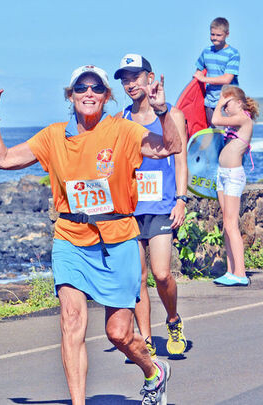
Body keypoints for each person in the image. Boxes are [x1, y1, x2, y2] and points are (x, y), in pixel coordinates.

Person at [0, 65, 181, 405]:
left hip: (118, 239)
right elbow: (3, 159)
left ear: (106, 96)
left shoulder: (122, 130)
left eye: (96, 88)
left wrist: (162, 111)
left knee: (119, 333)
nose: (89, 93)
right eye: (81, 87)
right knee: (71, 321)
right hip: (70, 237)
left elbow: (169, 147)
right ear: (70, 95)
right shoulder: (54, 136)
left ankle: (153, 371)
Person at [114, 54, 189, 359]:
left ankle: (173, 320)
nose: (130, 84)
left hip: (162, 205)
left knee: (161, 273)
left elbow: (181, 160)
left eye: (135, 77)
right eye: (125, 79)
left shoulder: (173, 114)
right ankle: (145, 341)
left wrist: (181, 199)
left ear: (150, 77)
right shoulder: (120, 119)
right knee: (137, 277)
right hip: (130, 208)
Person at [211, 85, 259, 287]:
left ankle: (240, 273)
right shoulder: (233, 123)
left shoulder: (243, 119)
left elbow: (215, 120)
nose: (224, 107)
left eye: (227, 103)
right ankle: (231, 271)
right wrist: (223, 103)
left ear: (239, 103)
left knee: (231, 224)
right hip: (222, 174)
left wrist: (219, 103)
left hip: (232, 175)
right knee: (226, 224)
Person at [193, 17, 240, 128]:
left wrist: (204, 79)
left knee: (227, 133)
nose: (214, 38)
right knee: (214, 133)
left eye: (219, 35)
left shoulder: (233, 53)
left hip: (227, 102)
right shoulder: (206, 52)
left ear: (227, 34)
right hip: (209, 102)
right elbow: (198, 72)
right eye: (212, 34)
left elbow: (227, 79)